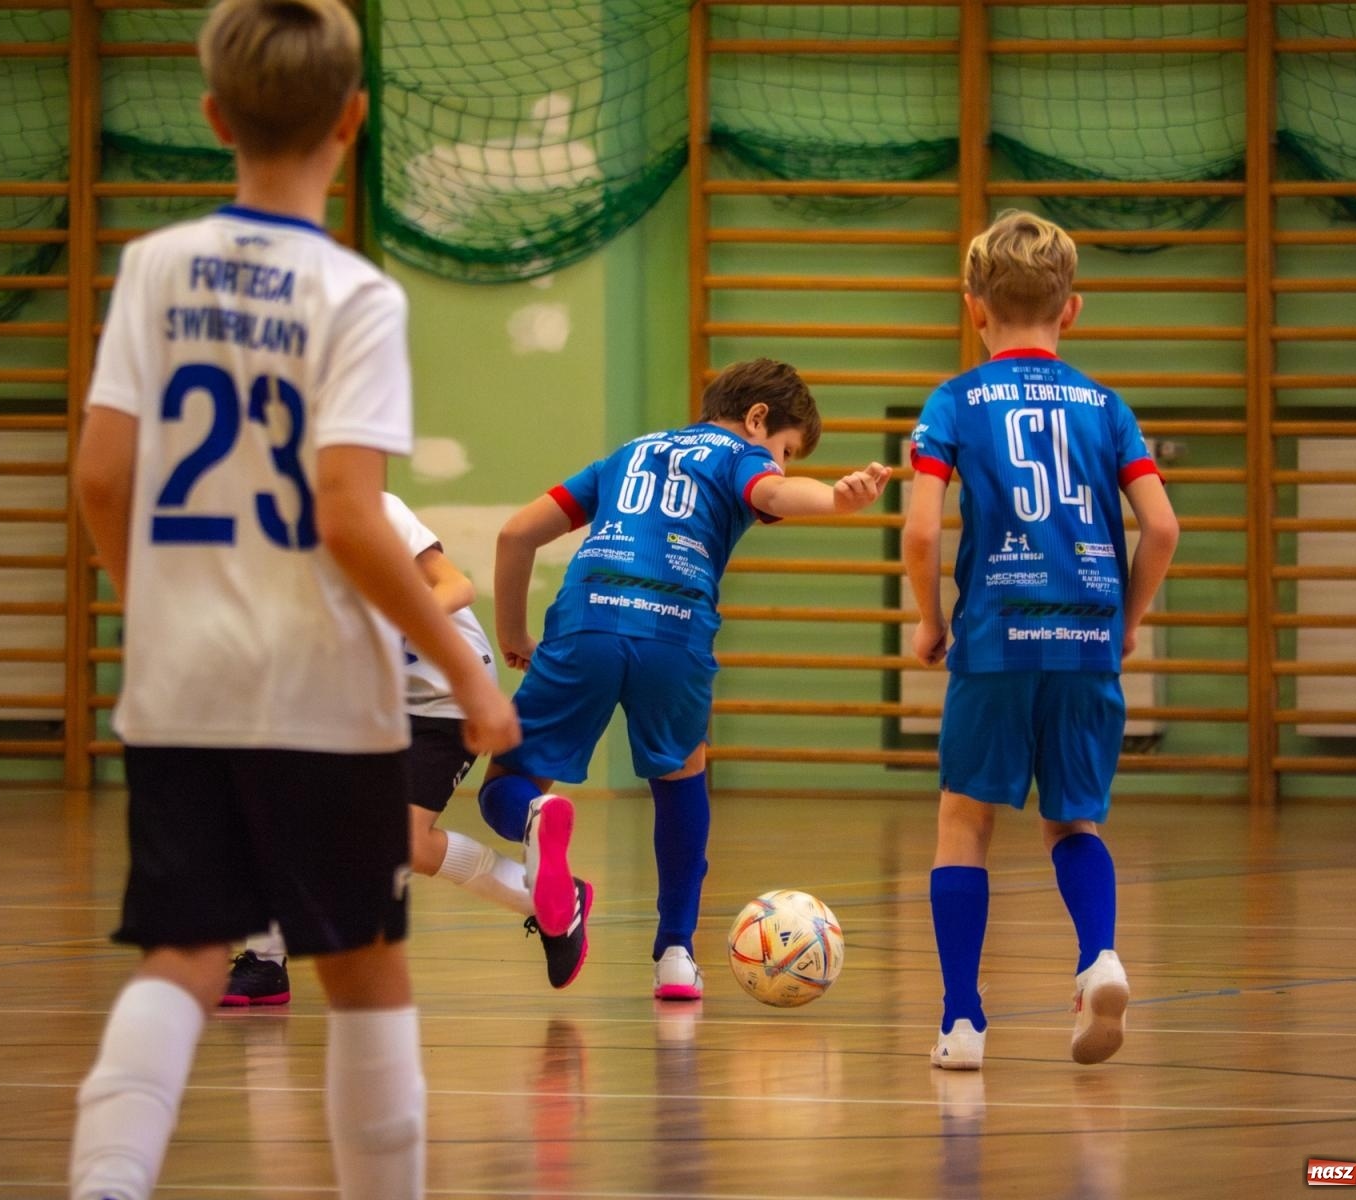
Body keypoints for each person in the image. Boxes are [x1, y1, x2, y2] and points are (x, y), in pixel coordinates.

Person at [68, 2, 519, 1197]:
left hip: (182, 684)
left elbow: (102, 476)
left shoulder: (151, 268)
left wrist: (153, 609)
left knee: (182, 954)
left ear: (214, 116)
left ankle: (105, 1180)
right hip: (321, 693)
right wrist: (467, 669)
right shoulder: (355, 295)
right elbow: (346, 510)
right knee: (363, 967)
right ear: (354, 122)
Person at [478, 357, 892, 1000]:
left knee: (504, 786)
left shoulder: (629, 453)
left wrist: (512, 635)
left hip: (587, 619)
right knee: (680, 778)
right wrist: (836, 498)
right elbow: (774, 494)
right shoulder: (737, 455)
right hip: (675, 629)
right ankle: (675, 953)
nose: (779, 463)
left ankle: (535, 814)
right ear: (756, 421)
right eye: (783, 449)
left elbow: (515, 534)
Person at [900, 209, 1179, 1071]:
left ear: (974, 307)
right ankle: (1099, 956)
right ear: (1073, 310)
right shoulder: (1106, 406)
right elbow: (1162, 528)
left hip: (997, 637)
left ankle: (962, 1022)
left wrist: (932, 620)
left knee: (964, 821)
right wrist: (1126, 621)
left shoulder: (954, 400)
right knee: (1074, 822)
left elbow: (919, 533)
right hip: (1088, 636)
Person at [223, 493, 588, 1005]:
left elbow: (455, 586)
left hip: (444, 692)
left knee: (404, 843)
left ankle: (548, 899)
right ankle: (265, 961)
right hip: (365, 698)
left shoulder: (372, 509)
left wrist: (378, 623)